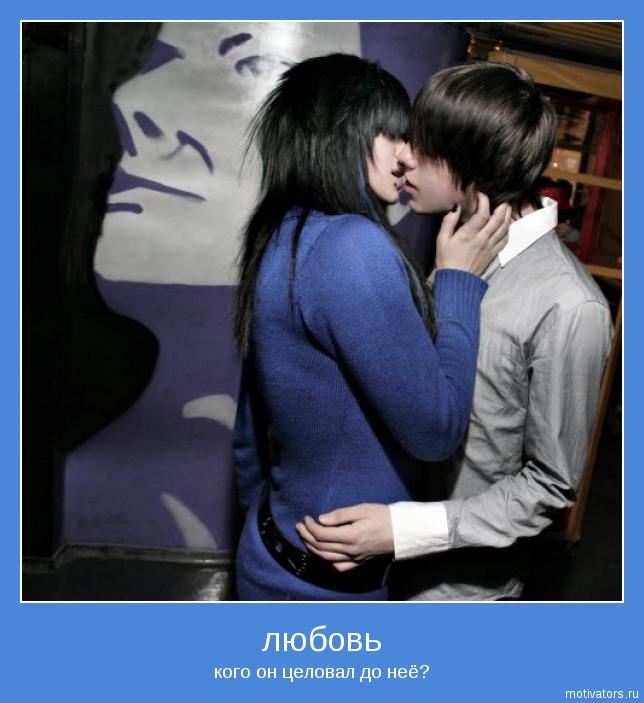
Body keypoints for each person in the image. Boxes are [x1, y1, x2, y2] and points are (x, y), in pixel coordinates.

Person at [297, 62, 613, 601]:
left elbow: (551, 486)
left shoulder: (571, 304)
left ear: (471, 161)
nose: (404, 157)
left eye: (422, 146)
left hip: (457, 593)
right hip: (376, 564)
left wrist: (403, 530)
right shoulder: (453, 247)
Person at [232, 54, 511, 601]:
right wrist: (458, 278)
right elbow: (436, 432)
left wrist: (272, 522)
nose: (408, 155)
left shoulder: (283, 232)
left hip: (271, 554)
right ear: (344, 131)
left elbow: (249, 432)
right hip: (319, 593)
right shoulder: (351, 248)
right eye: (394, 135)